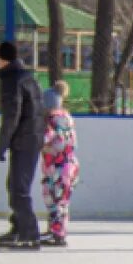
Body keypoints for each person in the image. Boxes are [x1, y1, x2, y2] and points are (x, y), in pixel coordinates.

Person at [0, 40, 43, 250]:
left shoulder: (13, 81)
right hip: (31, 138)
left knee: (18, 189)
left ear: (3, 59)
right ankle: (18, 227)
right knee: (15, 185)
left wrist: (2, 142)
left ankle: (29, 233)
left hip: (25, 139)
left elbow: (12, 115)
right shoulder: (27, 76)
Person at [40, 81, 79, 248]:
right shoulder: (66, 118)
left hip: (59, 166)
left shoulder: (52, 120)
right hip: (67, 165)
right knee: (59, 200)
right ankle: (56, 230)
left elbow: (44, 140)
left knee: (56, 200)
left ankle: (58, 234)